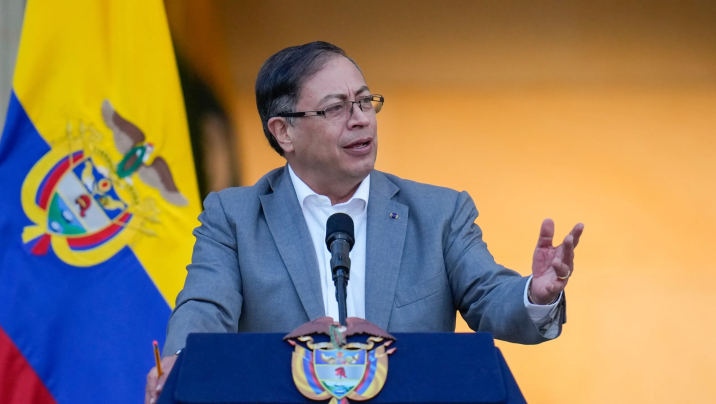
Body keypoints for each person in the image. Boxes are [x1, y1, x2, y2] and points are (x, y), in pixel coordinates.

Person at [145, 41, 584, 403]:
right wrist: (180, 368)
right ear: (284, 132)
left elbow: (488, 297)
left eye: (364, 101)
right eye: (336, 108)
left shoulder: (439, 212)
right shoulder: (235, 217)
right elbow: (205, 308)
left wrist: (535, 294)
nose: (360, 119)